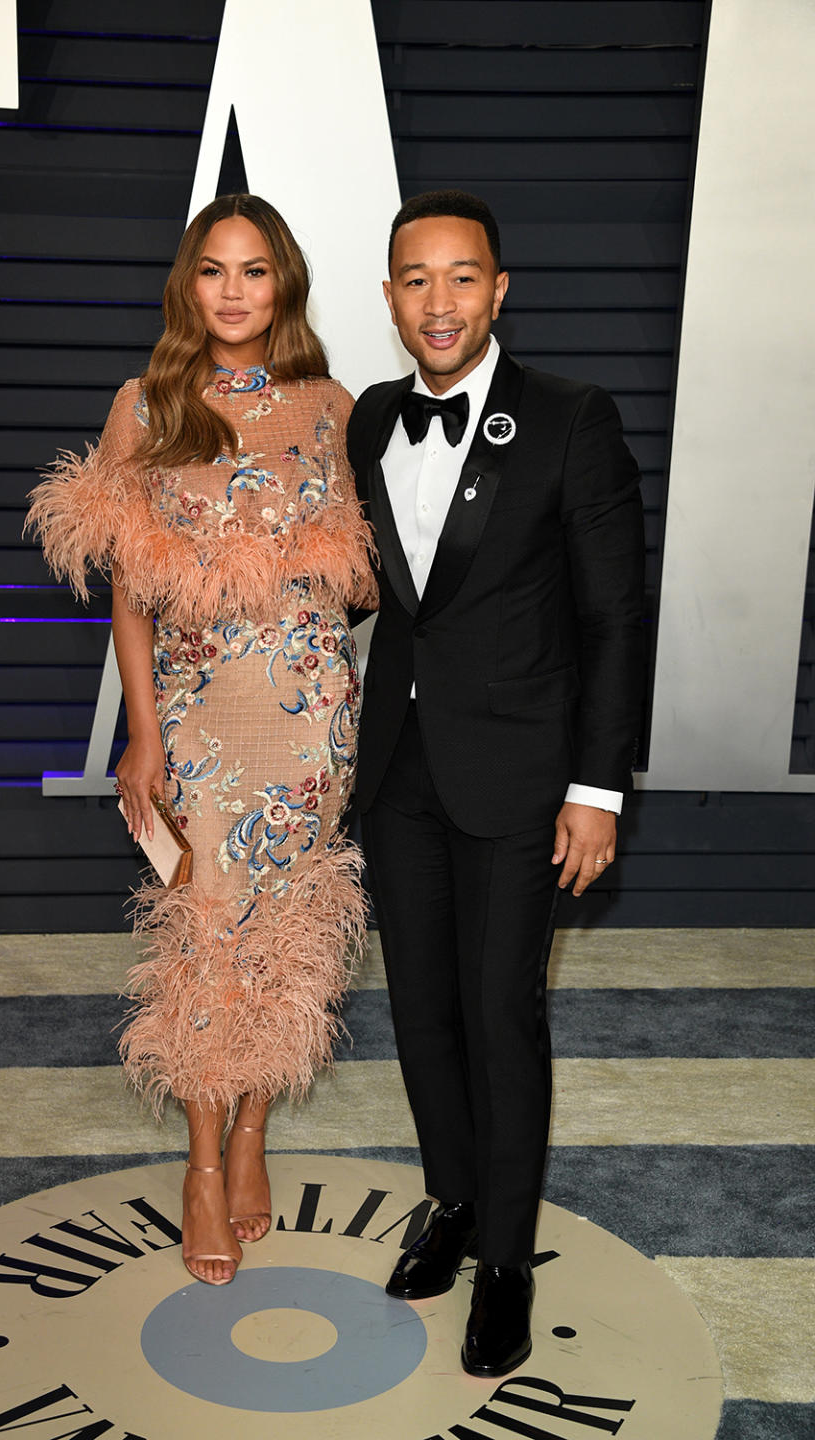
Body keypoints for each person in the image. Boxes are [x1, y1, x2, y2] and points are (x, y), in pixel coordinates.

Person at [27, 193, 374, 1287]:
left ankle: (256, 1134)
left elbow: (367, 577)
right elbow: (128, 592)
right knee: (206, 937)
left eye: (255, 270)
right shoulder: (146, 404)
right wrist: (142, 735)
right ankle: (199, 1163)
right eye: (214, 270)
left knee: (291, 931)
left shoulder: (332, 407)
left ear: (285, 284)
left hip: (312, 710)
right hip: (195, 714)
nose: (234, 290)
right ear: (190, 285)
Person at [346, 190, 645, 1377]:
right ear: (388, 298)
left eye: (462, 278)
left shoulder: (572, 419)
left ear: (500, 288)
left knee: (499, 1014)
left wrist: (598, 789)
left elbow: (615, 619)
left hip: (526, 774)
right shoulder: (368, 420)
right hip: (401, 768)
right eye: (416, 281)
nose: (439, 303)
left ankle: (509, 1266)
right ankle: (456, 1202)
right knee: (420, 1009)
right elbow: (373, 588)